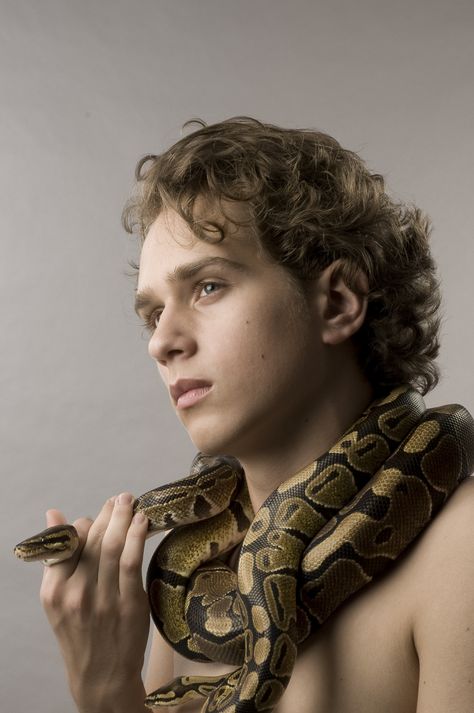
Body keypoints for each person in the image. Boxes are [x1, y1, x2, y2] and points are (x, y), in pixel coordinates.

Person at [40, 117, 474, 713]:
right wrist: (106, 690)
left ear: (339, 302)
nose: (160, 342)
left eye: (209, 287)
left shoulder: (463, 552)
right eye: (151, 313)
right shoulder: (191, 591)